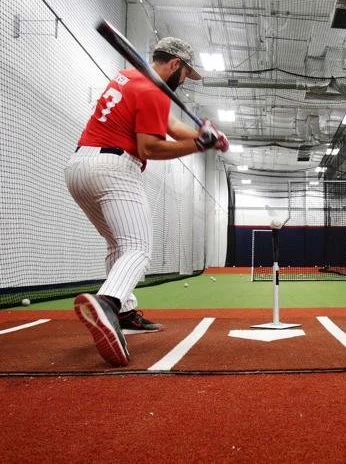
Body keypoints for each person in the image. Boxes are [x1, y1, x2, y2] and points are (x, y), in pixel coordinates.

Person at [65, 37, 229, 367]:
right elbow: (149, 148)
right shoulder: (153, 89)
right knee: (139, 248)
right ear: (174, 65)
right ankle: (108, 302)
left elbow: (168, 126)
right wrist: (199, 145)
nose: (184, 81)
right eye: (185, 74)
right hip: (114, 168)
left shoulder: (129, 78)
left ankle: (123, 310)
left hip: (78, 168)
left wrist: (205, 139)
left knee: (118, 245)